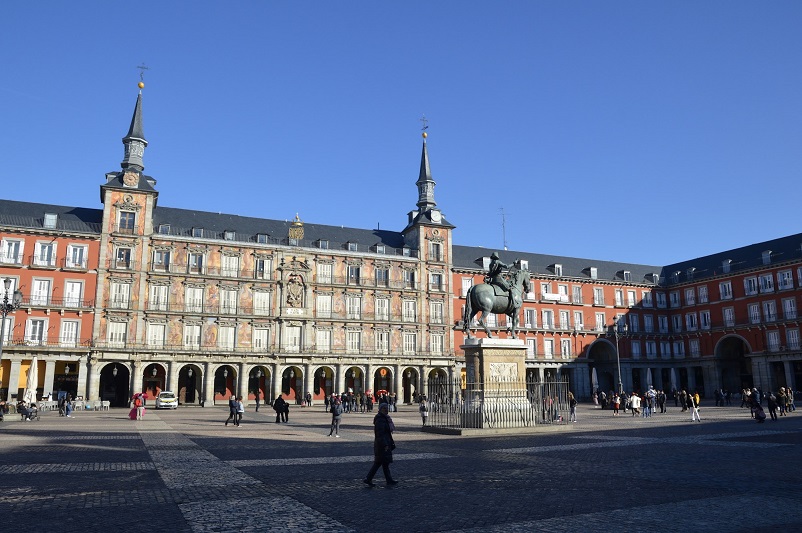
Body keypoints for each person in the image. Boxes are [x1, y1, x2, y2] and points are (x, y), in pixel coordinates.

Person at [363, 403, 398, 487]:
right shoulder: (380, 419)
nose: (386, 410)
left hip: (384, 442)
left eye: (387, 408)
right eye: (384, 408)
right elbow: (380, 434)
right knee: (379, 463)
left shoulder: (384, 418)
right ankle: (368, 478)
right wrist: (385, 444)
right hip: (382, 444)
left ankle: (388, 480)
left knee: (384, 463)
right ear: (380, 409)